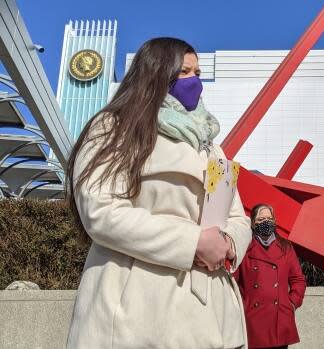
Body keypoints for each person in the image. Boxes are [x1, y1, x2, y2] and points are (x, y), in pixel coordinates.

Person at [65, 37, 252, 349]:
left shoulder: (211, 145)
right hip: (136, 311)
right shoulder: (114, 129)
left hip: (213, 312)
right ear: (156, 74)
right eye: (185, 72)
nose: (196, 81)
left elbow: (236, 216)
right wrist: (193, 242)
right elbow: (101, 211)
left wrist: (228, 242)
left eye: (198, 72)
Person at [234, 204, 306, 349]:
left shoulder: (285, 247)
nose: (265, 222)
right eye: (261, 219)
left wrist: (291, 303)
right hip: (253, 320)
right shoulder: (244, 247)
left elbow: (298, 279)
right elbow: (233, 282)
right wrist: (242, 308)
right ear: (253, 223)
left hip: (280, 318)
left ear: (274, 221)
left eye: (268, 218)